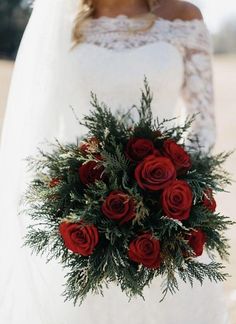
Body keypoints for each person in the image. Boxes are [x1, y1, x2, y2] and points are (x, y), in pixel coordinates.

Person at [0, 0, 231, 323]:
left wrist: (174, 198)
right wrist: (75, 197)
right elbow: (48, 125)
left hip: (167, 217)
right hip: (85, 211)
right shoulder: (61, 27)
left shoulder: (183, 18)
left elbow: (202, 125)